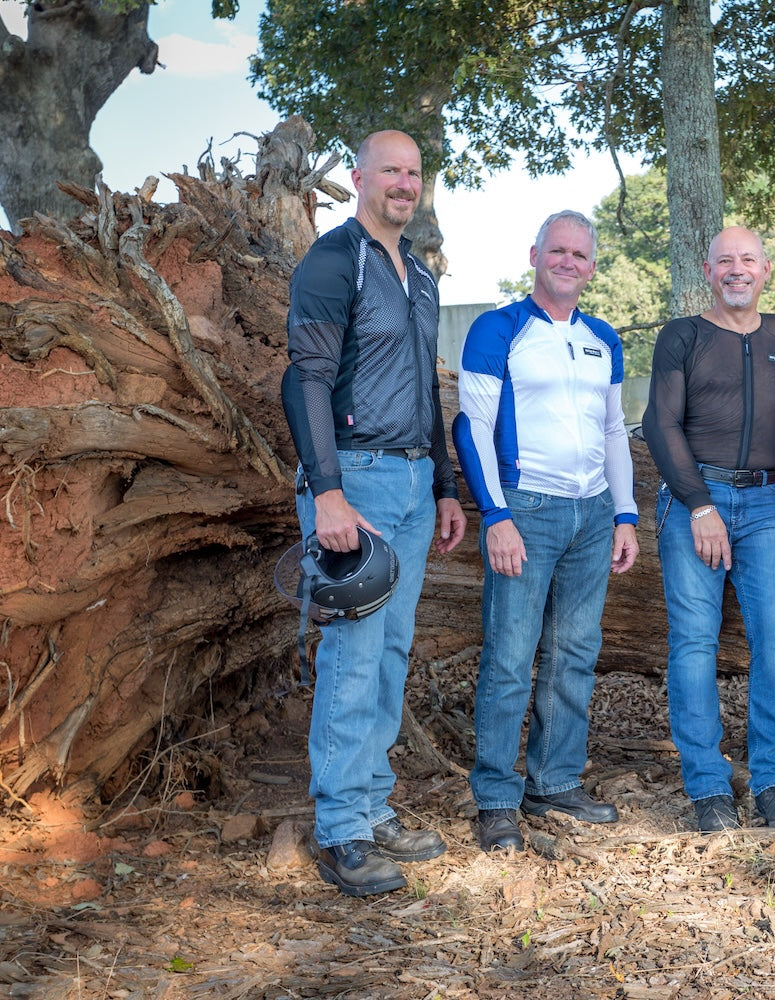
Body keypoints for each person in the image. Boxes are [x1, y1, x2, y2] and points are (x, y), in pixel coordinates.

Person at [283, 130, 467, 897]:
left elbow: (429, 393)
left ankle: (372, 804)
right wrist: (327, 490)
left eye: (414, 172)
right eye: (390, 169)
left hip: (414, 483)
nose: (403, 182)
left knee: (391, 655)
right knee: (353, 663)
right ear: (358, 177)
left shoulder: (419, 276)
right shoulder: (336, 259)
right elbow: (306, 381)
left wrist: (446, 485)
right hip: (354, 484)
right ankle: (340, 833)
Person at [452, 210, 639, 854]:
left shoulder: (603, 339)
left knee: (575, 652)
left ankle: (555, 782)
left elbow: (615, 431)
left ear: (592, 266)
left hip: (592, 514)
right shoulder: (498, 328)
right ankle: (498, 797)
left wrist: (624, 513)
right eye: (556, 251)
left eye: (580, 255)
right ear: (534, 254)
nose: (567, 262)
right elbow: (470, 426)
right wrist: (496, 516)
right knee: (509, 655)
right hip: (525, 511)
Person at [642, 226, 775, 832]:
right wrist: (698, 505)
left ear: (766, 269)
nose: (737, 270)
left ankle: (773, 781)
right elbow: (660, 423)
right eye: (724, 262)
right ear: (707, 270)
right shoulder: (683, 335)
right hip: (698, 498)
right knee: (694, 642)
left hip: (768, 500)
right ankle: (708, 786)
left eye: (748, 260)